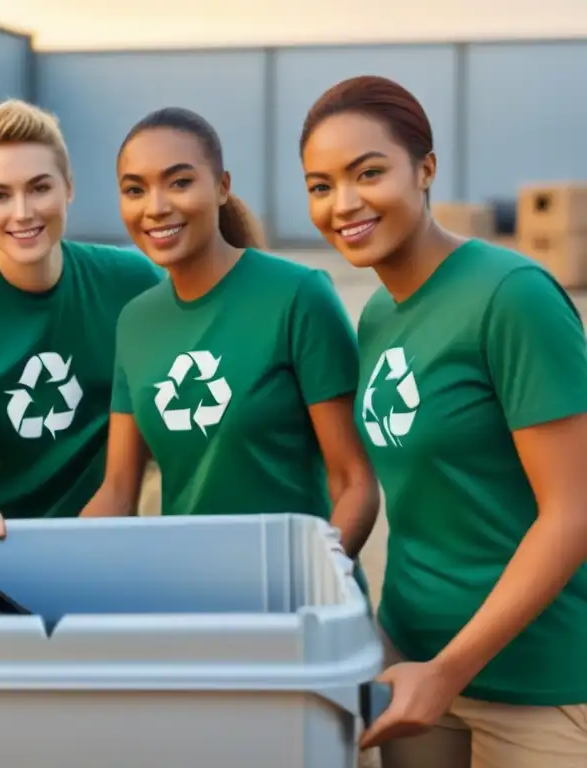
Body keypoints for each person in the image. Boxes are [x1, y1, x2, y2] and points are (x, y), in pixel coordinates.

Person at [300, 75, 587, 767]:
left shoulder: (511, 297)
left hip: (536, 684)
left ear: (426, 169)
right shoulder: (375, 314)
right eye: (320, 185)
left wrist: (450, 669)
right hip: (413, 658)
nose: (344, 204)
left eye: (369, 173)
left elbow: (571, 513)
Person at [80, 106, 380, 562]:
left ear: (222, 188)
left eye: (179, 182)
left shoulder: (298, 296)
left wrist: (316, 581)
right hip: (195, 598)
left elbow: (354, 484)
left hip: (298, 595)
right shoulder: (135, 321)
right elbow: (119, 491)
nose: (156, 207)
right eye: (134, 190)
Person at [0, 98, 165, 535]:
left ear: (69, 187)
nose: (22, 212)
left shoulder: (132, 282)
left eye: (39, 188)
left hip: (106, 539)